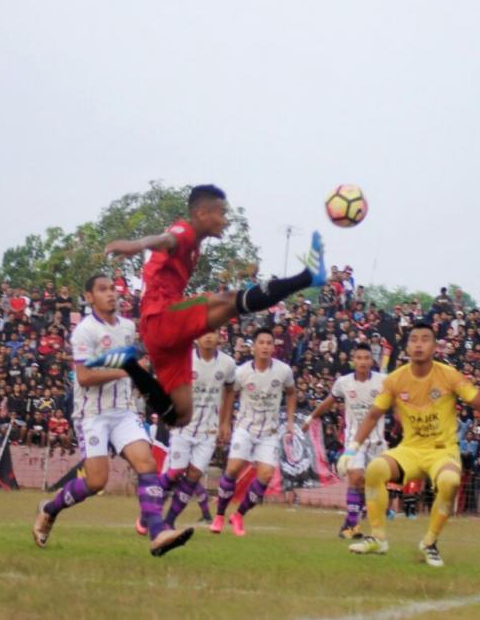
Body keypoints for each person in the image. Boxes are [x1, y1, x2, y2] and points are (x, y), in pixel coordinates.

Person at [92, 185, 325, 427]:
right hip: (162, 313)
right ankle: (308, 277)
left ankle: (132, 367)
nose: (225, 220)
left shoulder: (194, 243)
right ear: (202, 213)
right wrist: (137, 244)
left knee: (181, 416)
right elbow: (165, 240)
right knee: (229, 301)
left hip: (162, 331)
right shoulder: (184, 232)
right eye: (221, 213)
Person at [340, 323, 480, 566]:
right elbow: (373, 414)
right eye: (414, 339)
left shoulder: (449, 375)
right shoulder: (395, 379)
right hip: (410, 450)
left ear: (434, 347)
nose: (419, 344)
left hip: (443, 452)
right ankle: (378, 538)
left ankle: (430, 542)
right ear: (407, 346)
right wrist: (352, 447)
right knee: (375, 469)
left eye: (425, 339)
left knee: (449, 482)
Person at [32, 274, 193, 557]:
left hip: (123, 411)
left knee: (147, 464)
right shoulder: (84, 331)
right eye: (103, 290)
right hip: (91, 414)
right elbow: (83, 377)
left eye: (113, 289)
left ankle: (158, 534)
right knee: (96, 481)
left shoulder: (128, 327)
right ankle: (49, 509)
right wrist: (127, 370)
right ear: (89, 297)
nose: (111, 294)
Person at [211, 327, 296, 536]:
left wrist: (291, 423)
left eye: (269, 343)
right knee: (233, 469)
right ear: (254, 347)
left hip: (270, 431)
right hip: (245, 428)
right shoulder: (241, 372)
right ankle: (220, 515)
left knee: (266, 475)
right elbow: (229, 395)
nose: (265, 346)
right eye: (261, 343)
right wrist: (225, 423)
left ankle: (238, 516)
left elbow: (292, 393)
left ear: (274, 347)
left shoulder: (283, 371)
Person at [303, 342, 385, 539]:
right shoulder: (344, 383)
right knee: (355, 477)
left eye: (366, 358)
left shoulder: (383, 381)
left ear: (372, 361)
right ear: (353, 361)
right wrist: (311, 417)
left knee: (370, 483)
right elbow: (328, 402)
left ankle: (352, 520)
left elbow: (397, 404)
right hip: (353, 440)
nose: (363, 362)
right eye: (359, 358)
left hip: (377, 441)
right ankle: (352, 524)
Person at [160, 330, 236, 529]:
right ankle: (149, 512)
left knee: (194, 475)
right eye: (204, 333)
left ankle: (169, 521)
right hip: (183, 427)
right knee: (175, 472)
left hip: (208, 431)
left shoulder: (227, 364)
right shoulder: (184, 359)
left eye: (213, 332)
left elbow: (229, 391)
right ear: (196, 337)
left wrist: (225, 423)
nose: (208, 337)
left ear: (220, 336)